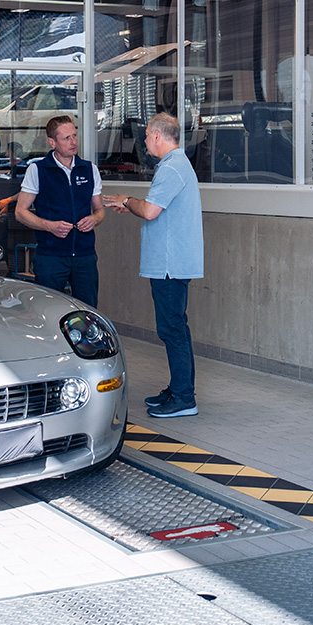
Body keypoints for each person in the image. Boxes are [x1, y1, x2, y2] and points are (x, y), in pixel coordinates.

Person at [103, 113, 204, 418]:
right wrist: (134, 205)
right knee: (175, 327)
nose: (145, 140)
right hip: (171, 264)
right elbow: (153, 208)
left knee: (173, 329)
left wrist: (127, 200)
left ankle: (184, 398)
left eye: (147, 135)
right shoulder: (175, 165)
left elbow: (149, 211)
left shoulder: (172, 167)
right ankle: (179, 389)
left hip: (170, 266)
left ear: (158, 136)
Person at [15, 115, 104, 306]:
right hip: (51, 256)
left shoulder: (89, 169)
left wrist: (94, 219)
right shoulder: (38, 170)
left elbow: (99, 210)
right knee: (48, 310)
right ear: (52, 142)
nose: (73, 142)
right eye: (66, 138)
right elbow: (20, 212)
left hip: (85, 255)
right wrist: (49, 226)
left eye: (74, 136)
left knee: (87, 310)